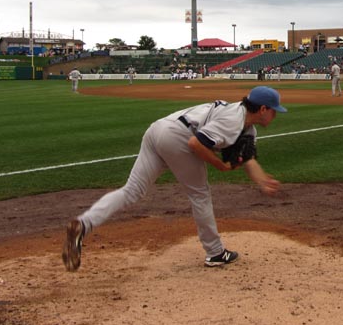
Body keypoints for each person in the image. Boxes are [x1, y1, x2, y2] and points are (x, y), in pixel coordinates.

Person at [62, 86, 286, 271]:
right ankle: (216, 253)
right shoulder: (233, 120)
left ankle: (84, 223)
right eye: (274, 111)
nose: (275, 115)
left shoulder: (246, 126)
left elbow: (248, 159)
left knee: (132, 191)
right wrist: (219, 164)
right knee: (200, 194)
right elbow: (195, 144)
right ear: (263, 109)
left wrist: (262, 180)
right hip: (178, 137)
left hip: (158, 130)